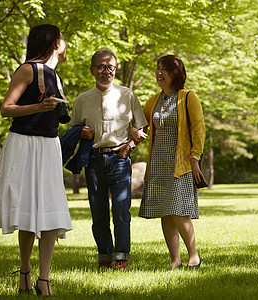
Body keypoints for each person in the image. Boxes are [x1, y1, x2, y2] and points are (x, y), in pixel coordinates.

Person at [0, 24, 72, 296]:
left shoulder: (56, 77)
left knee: (50, 212)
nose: (65, 42)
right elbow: (6, 109)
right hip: (24, 145)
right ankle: (25, 271)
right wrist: (39, 106)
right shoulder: (28, 69)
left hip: (49, 146)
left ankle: (43, 279)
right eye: (62, 38)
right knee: (26, 211)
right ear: (53, 42)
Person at [70, 49, 148, 271]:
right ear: (93, 70)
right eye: (102, 67)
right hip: (93, 160)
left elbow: (141, 126)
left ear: (115, 70)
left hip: (120, 159)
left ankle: (121, 257)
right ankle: (104, 256)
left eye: (110, 67)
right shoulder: (82, 100)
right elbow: (73, 130)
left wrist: (130, 145)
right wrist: (81, 133)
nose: (106, 71)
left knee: (121, 211)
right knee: (98, 211)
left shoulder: (128, 95)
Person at [139, 55, 205, 269]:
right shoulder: (154, 100)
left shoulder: (188, 97)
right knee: (165, 212)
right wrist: (134, 130)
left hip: (181, 165)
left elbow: (198, 130)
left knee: (178, 210)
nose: (159, 73)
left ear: (175, 73)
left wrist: (195, 158)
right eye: (157, 68)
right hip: (158, 164)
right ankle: (175, 260)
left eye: (164, 69)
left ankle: (193, 256)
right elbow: (141, 123)